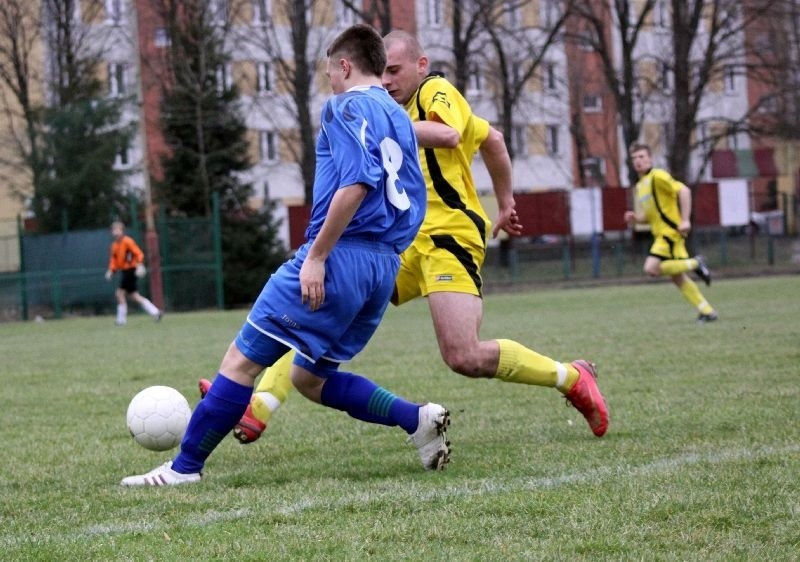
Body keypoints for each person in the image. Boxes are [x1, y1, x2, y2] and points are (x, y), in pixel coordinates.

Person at [208, 29, 609, 446]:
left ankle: (570, 377)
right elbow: (492, 139)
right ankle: (256, 407)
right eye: (381, 72)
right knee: (320, 304)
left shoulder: (435, 90)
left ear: (422, 65)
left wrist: (386, 125)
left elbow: (451, 134)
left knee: (463, 356)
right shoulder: (384, 106)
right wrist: (506, 202)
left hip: (446, 235)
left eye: (395, 71)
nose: (386, 80)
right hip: (398, 242)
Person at [121, 24, 448, 486]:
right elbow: (411, 194)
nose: (329, 82)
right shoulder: (398, 117)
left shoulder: (346, 105)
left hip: (340, 257)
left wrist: (317, 257)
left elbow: (356, 183)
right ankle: (417, 420)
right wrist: (380, 254)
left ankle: (183, 468)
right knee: (309, 379)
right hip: (382, 263)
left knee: (241, 360)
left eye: (329, 72)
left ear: (345, 66)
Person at [624, 143, 717, 323]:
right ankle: (707, 311)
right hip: (660, 234)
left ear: (650, 158)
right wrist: (636, 218)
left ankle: (695, 263)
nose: (638, 161)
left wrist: (685, 220)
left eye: (641, 157)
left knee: (651, 268)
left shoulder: (658, 176)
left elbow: (684, 191)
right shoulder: (641, 185)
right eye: (634, 158)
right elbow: (651, 215)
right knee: (677, 277)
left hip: (670, 232)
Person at [105, 221, 162, 325]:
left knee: (119, 293)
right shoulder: (114, 246)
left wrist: (139, 264)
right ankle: (156, 312)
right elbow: (114, 261)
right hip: (125, 271)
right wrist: (111, 271)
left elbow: (138, 253)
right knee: (134, 296)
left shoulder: (128, 241)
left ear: (122, 231)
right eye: (114, 230)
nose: (115, 232)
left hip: (130, 270)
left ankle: (121, 320)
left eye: (118, 229)